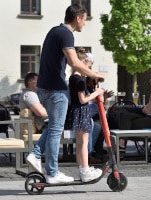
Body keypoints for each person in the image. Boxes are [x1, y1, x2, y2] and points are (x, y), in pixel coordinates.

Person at [26, 4, 105, 184]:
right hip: (56, 89)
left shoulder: (54, 31)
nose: (84, 24)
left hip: (45, 89)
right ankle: (52, 172)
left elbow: (71, 62)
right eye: (84, 20)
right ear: (78, 18)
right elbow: (74, 62)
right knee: (56, 130)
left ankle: (35, 154)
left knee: (54, 126)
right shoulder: (65, 33)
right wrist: (94, 75)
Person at [65, 48, 103, 182]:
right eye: (88, 65)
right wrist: (97, 93)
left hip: (77, 111)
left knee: (81, 142)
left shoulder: (74, 78)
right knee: (84, 142)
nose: (89, 69)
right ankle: (85, 170)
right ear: (82, 62)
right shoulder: (79, 80)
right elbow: (82, 100)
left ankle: (83, 169)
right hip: (81, 111)